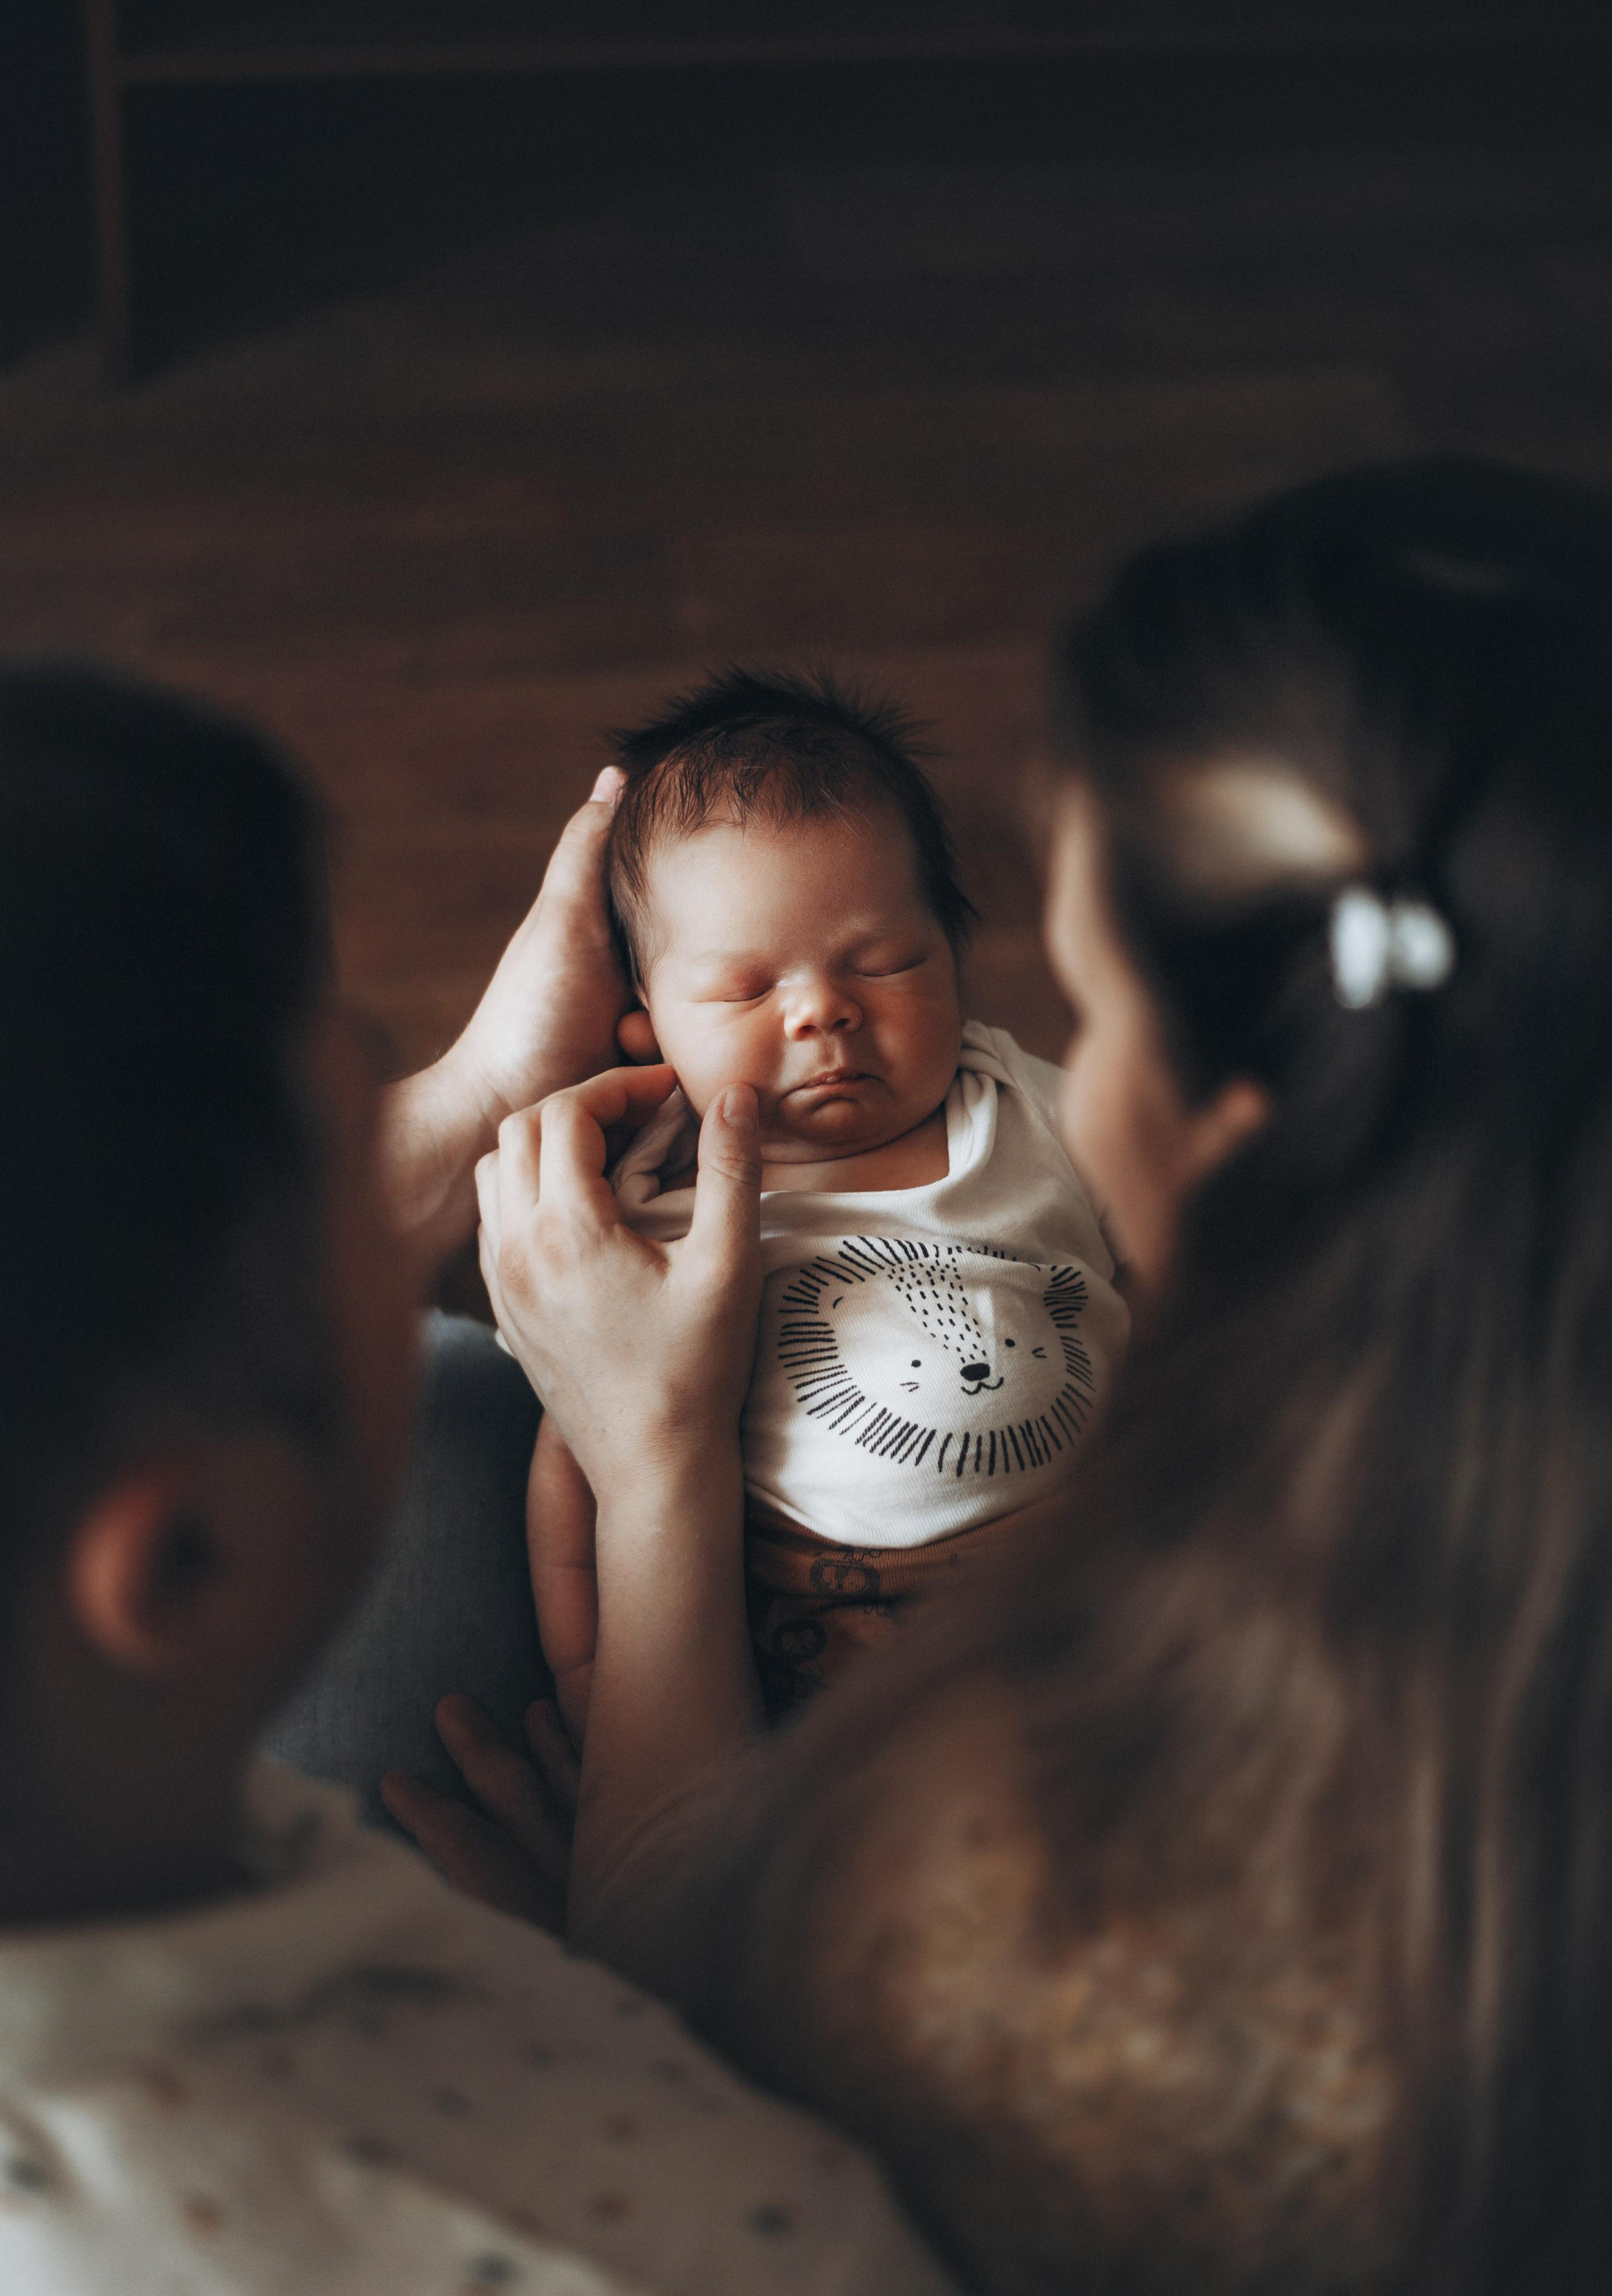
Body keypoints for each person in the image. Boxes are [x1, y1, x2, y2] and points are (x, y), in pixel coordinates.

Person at [414, 458, 1612, 2295]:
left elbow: (718, 2068)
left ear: (1234, 1115)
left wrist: (600, 1948)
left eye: (1084, 993)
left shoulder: (1039, 1874)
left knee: (417, 1440)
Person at [0, 657, 958, 2296]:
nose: (425, 1192)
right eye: (356, 1146)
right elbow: (758, 2047)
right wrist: (620, 1970)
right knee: (473, 1391)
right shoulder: (723, 2229)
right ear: (183, 1566)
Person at [525, 668, 1128, 1731]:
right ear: (646, 1021)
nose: (822, 1013)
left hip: (1089, 1564)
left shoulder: (1025, 1103)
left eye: (885, 963)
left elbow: (1173, 1246)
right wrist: (593, 1677)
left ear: (953, 956)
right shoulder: (640, 1186)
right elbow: (578, 1445)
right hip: (804, 1615)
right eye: (746, 990)